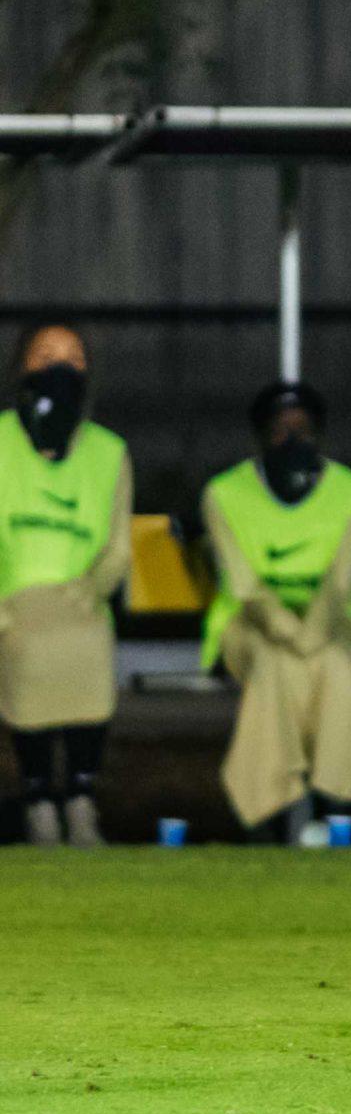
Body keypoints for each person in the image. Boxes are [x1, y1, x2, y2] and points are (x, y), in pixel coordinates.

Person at [200, 382, 351, 840]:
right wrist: (291, 635)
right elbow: (243, 585)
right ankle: (272, 812)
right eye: (280, 429)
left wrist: (310, 635)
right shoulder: (223, 492)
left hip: (333, 623)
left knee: (336, 665)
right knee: (276, 662)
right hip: (249, 625)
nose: (292, 439)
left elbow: (340, 584)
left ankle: (333, 803)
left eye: (303, 429)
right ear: (259, 436)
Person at [0, 324, 132, 846]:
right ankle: (37, 801)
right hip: (11, 600)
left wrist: (89, 593)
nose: (60, 367)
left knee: (84, 641)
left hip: (78, 598)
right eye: (46, 355)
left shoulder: (109, 452)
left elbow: (117, 549)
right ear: (21, 369)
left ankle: (79, 796)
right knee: (30, 649)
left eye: (73, 358)